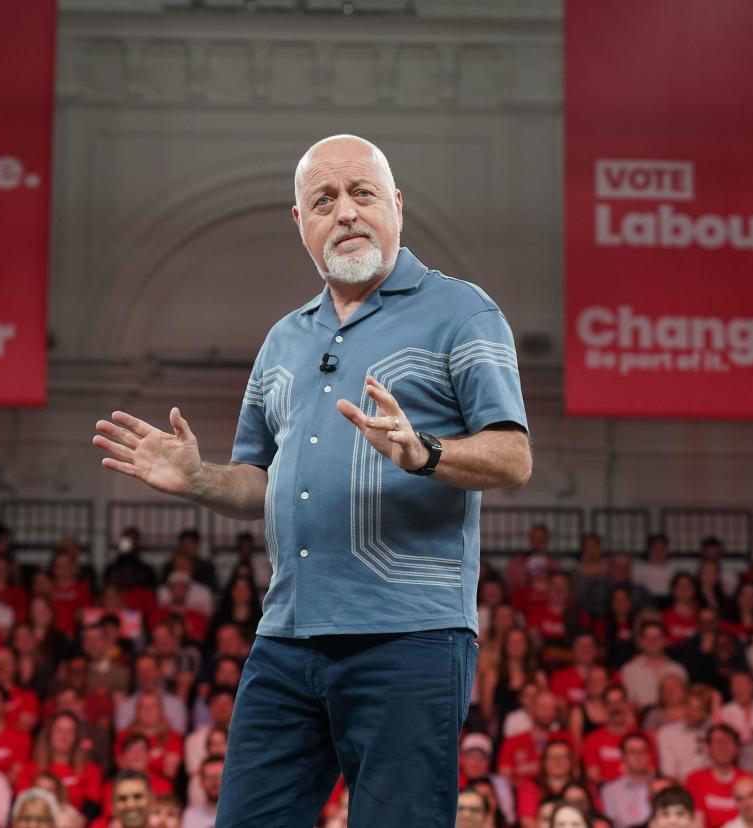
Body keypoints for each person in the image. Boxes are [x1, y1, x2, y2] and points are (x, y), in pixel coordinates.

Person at [91, 134, 531, 828]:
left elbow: (513, 457)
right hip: (287, 640)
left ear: (397, 205)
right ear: (301, 223)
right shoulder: (283, 339)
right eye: (323, 200)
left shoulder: (462, 312)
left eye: (362, 193)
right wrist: (200, 478)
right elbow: (256, 482)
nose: (347, 212)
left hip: (409, 640)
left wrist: (424, 453)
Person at [684, 725, 753, 828]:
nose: (722, 746)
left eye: (727, 741)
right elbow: (696, 822)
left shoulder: (749, 780)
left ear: (736, 748)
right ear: (708, 748)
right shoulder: (695, 780)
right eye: (717, 742)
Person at [621, 622, 687, 710]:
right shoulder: (629, 670)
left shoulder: (678, 670)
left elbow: (685, 702)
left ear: (665, 640)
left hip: (675, 720)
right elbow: (626, 704)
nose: (653, 641)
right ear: (641, 641)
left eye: (657, 637)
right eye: (648, 637)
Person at [600, 733, 654, 828]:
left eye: (643, 751)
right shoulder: (610, 791)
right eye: (632, 752)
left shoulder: (659, 786)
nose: (638, 756)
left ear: (648, 755)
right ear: (623, 756)